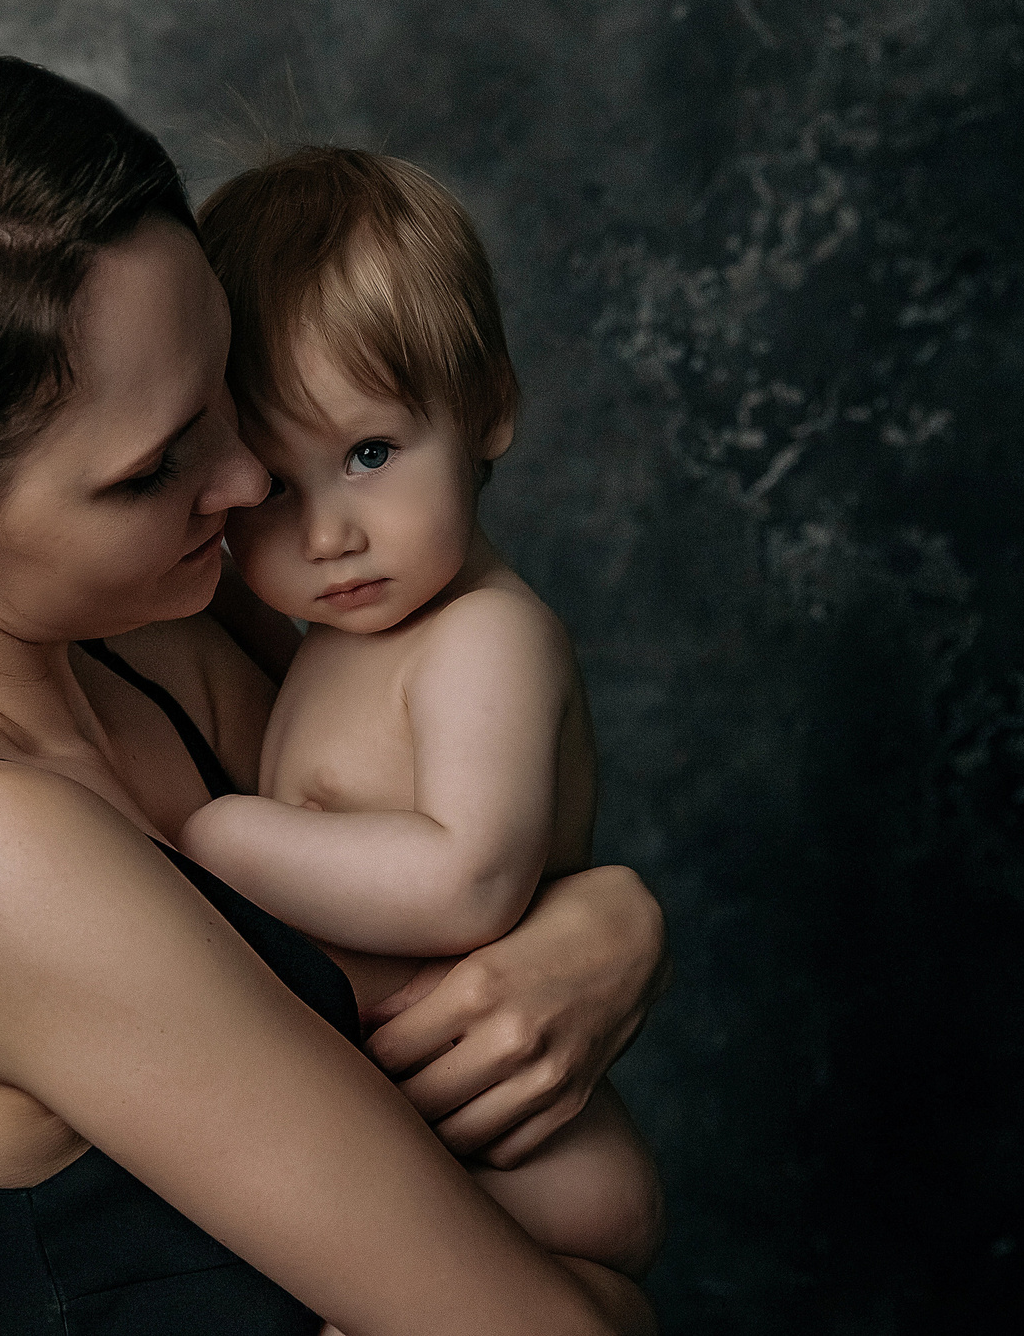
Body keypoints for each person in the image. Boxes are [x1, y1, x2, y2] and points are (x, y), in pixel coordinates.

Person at [0, 53, 669, 1334]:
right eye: (156, 464)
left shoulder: (153, 630)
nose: (242, 482)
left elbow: (473, 818)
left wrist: (606, 926)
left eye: (225, 384)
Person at [180, 147, 663, 1276]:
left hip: (516, 1162)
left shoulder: (484, 638)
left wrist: (220, 836)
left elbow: (470, 880)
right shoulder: (335, 635)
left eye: (368, 453)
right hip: (410, 1141)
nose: (328, 535)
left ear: (487, 408)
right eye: (276, 487)